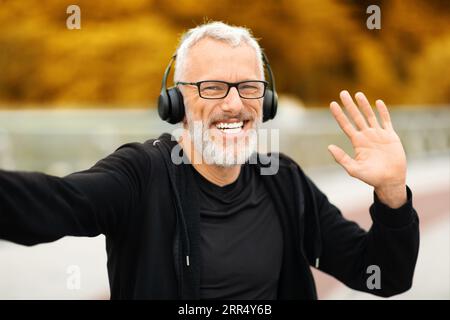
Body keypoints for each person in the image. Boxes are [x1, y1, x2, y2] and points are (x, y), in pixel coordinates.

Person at [0, 21, 419, 300]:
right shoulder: (141, 174)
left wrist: (392, 193)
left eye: (249, 87)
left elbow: (382, 274)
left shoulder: (285, 181)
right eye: (214, 87)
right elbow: (51, 203)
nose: (235, 105)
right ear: (176, 102)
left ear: (266, 101)